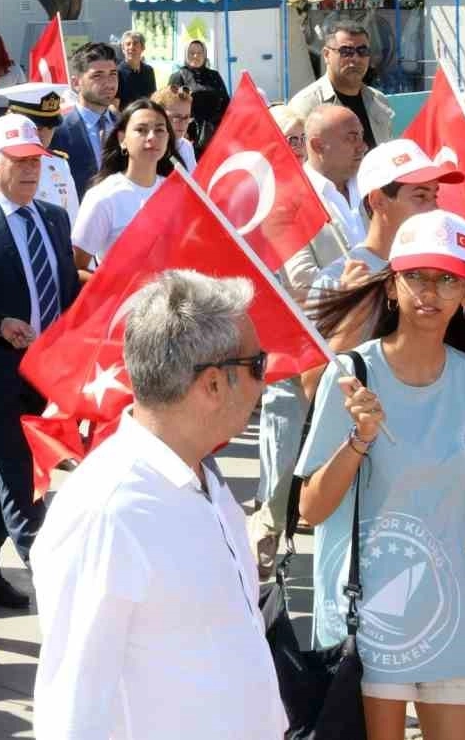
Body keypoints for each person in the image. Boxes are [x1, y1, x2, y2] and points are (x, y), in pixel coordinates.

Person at [299, 210, 465, 737]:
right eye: (416, 276)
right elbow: (311, 509)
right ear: (391, 287)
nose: (430, 291)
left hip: (452, 621)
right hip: (368, 622)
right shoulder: (351, 375)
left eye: (448, 278)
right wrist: (359, 439)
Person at [32, 270, 283, 740]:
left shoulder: (203, 479)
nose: (264, 383)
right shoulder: (109, 511)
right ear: (213, 384)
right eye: (258, 364)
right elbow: (72, 707)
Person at [255, 140, 455, 574]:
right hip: (359, 479)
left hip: (431, 476)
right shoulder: (337, 281)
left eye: (435, 195)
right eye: (420, 195)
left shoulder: (446, 279)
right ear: (378, 201)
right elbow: (314, 387)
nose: (434, 207)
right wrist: (354, 313)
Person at [0, 114, 80, 611]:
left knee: (3, 472)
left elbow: (66, 290)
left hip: (48, 371)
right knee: (23, 479)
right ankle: (58, 586)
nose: (31, 170)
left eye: (36, 161)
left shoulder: (54, 217)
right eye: (20, 161)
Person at [69, 97, 174, 280]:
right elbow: (76, 268)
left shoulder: (177, 192)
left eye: (159, 130)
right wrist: (118, 286)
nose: (152, 137)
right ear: (122, 139)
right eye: (141, 130)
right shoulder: (104, 196)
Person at [0, 86, 79, 227]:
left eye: (51, 127)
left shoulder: (58, 164)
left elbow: (71, 222)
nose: (44, 135)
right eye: (36, 127)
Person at [282, 104, 369, 296]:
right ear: (318, 146)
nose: (363, 146)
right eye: (352, 138)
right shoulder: (288, 202)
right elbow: (300, 282)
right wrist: (343, 287)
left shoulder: (373, 186)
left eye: (361, 136)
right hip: (338, 313)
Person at [289, 24, 394, 148]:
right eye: (346, 52)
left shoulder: (379, 101)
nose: (356, 58)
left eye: (362, 51)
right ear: (326, 55)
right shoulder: (305, 105)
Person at [49, 42, 119, 197]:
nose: (109, 83)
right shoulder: (58, 130)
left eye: (113, 74)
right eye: (97, 76)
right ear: (76, 83)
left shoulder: (126, 125)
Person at [167, 39, 230, 152]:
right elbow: (170, 107)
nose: (195, 56)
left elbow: (226, 103)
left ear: (205, 55)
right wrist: (180, 131)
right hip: (190, 135)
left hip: (215, 133)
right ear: (186, 54)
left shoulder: (214, 76)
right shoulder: (178, 76)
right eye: (191, 53)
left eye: (199, 53)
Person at [151, 84, 197, 170]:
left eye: (186, 117)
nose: (183, 123)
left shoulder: (186, 146)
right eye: (176, 117)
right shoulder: (149, 149)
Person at [116, 29, 156, 107]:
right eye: (128, 44)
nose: (131, 47)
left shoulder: (149, 71)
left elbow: (153, 98)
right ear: (123, 49)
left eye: (135, 43)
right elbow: (113, 105)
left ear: (143, 48)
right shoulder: (117, 72)